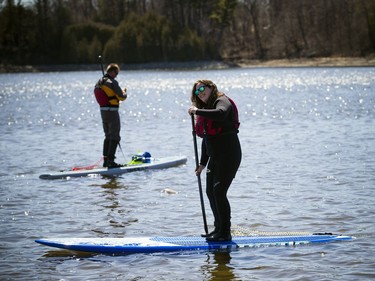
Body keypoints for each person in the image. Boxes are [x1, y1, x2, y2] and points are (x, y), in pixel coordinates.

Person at [188, 79, 241, 242]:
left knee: (219, 192)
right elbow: (206, 139)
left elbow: (221, 113)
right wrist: (202, 164)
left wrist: (196, 111)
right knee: (210, 192)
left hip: (229, 155)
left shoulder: (221, 101)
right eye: (196, 91)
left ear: (211, 88)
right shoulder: (206, 108)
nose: (200, 93)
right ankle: (218, 229)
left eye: (202, 89)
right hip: (215, 158)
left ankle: (225, 232)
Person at [94, 63, 127, 168]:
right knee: (115, 136)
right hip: (112, 112)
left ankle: (106, 161)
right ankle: (111, 162)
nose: (116, 75)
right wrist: (124, 92)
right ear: (112, 72)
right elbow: (122, 97)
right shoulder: (112, 82)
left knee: (108, 136)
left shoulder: (99, 82)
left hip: (103, 112)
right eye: (116, 73)